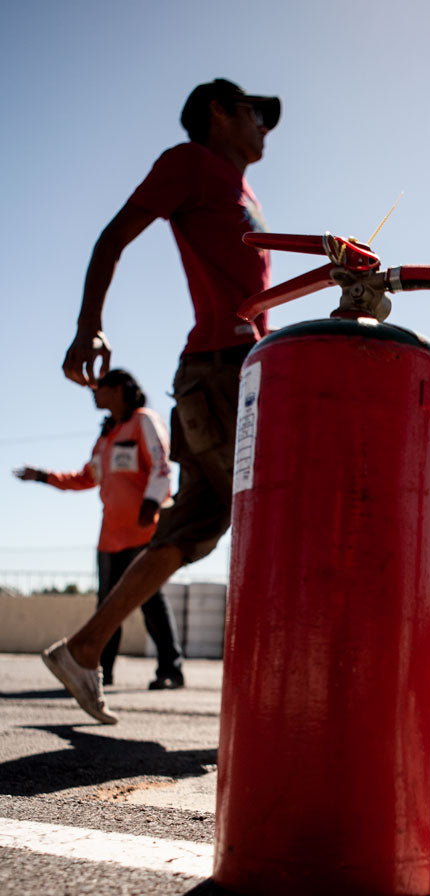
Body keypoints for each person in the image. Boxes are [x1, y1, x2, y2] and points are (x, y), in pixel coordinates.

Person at [42, 78, 281, 724]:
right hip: (222, 371)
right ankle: (277, 688)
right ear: (219, 111)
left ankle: (85, 648)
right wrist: (88, 322)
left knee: (195, 525)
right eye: (257, 113)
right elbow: (112, 237)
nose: (266, 127)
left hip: (229, 369)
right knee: (280, 503)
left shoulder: (244, 191)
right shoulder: (189, 164)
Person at [16, 369, 183, 691]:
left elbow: (162, 463)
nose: (94, 393)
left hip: (143, 531)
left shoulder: (143, 421)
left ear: (119, 389)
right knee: (106, 604)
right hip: (110, 536)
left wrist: (152, 502)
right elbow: (85, 478)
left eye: (100, 387)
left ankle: (170, 669)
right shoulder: (105, 437)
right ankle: (98, 670)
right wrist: (43, 476)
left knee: (151, 600)